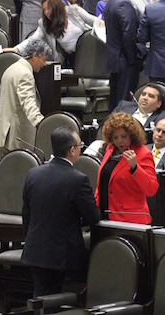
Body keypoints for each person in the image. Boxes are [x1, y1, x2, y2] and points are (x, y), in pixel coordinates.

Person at [21, 126, 101, 299]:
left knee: (41, 298)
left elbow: (26, 214)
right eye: (80, 146)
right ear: (72, 150)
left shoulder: (33, 173)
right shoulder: (78, 179)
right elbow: (93, 218)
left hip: (35, 249)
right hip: (62, 254)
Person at [95, 112, 159, 224]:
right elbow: (103, 182)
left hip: (130, 219)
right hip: (104, 215)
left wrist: (135, 167)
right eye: (115, 137)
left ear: (132, 134)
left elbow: (151, 189)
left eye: (124, 136)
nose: (120, 141)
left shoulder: (143, 153)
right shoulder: (110, 149)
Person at [0, 39, 51, 157]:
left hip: (5, 133)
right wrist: (41, 122)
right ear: (34, 56)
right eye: (43, 59)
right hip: (17, 135)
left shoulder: (11, 68)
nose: (44, 64)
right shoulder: (25, 74)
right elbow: (28, 102)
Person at [8, 0, 96, 66]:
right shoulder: (45, 24)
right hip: (71, 58)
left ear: (57, 8)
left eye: (49, 9)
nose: (46, 12)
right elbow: (33, 39)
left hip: (88, 51)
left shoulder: (74, 10)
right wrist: (16, 49)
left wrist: (102, 23)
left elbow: (94, 21)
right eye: (44, 9)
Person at [105, 0, 140, 110]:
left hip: (114, 59)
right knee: (123, 102)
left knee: (115, 99)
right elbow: (128, 34)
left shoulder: (112, 0)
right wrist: (133, 58)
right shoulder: (123, 3)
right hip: (124, 60)